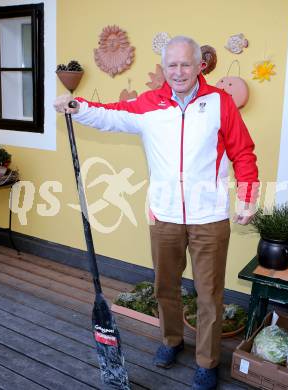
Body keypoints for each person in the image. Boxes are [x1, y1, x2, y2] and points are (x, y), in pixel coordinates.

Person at [54, 35, 259, 390]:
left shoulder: (220, 103)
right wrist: (77, 105)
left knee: (209, 293)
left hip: (208, 216)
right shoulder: (149, 105)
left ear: (200, 66)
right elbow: (109, 116)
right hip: (164, 215)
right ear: (163, 68)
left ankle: (207, 362)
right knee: (166, 286)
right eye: (172, 65)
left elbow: (243, 152)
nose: (178, 71)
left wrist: (248, 195)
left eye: (185, 64)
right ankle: (171, 340)